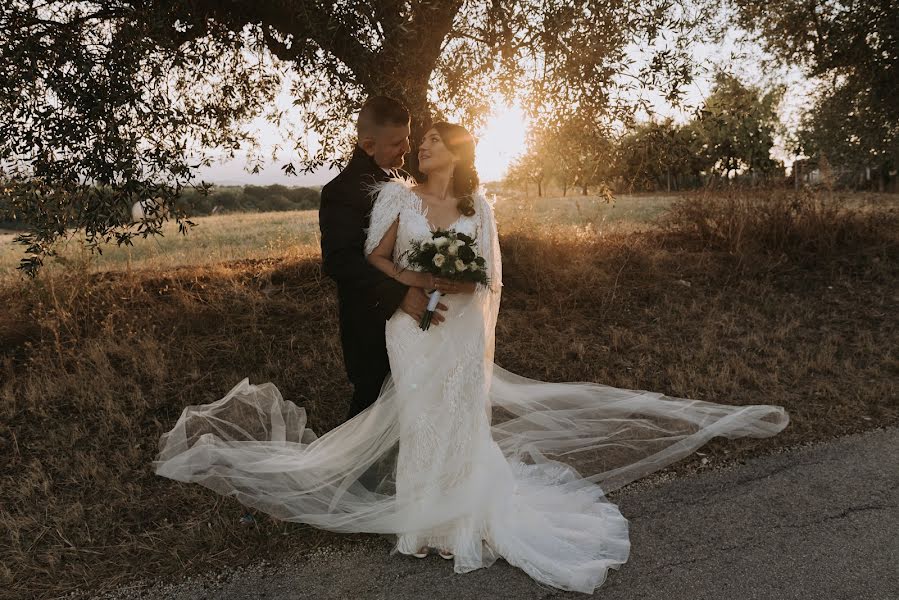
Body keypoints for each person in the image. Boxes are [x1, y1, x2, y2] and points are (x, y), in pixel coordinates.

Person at [153, 120, 790, 594]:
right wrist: (416, 285)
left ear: (454, 153)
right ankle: (421, 524)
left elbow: (485, 276)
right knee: (420, 415)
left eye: (430, 141)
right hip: (411, 326)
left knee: (457, 416)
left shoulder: (478, 207)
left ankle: (456, 519)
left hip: (457, 330)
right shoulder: (398, 200)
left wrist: (456, 283)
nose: (419, 147)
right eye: (417, 141)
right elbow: (376, 256)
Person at [318, 96, 449, 421]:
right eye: (396, 143)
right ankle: (354, 472)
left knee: (415, 400)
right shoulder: (341, 191)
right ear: (368, 144)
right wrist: (400, 294)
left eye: (407, 139)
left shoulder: (406, 181)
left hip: (415, 313)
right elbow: (340, 261)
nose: (406, 149)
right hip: (370, 319)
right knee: (372, 405)